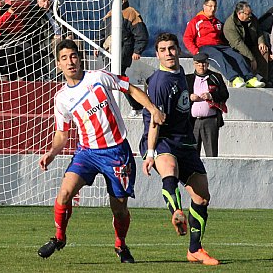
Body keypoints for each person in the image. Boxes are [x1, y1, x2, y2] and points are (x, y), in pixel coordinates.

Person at [37, 39, 165, 263]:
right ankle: (59, 237)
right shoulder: (61, 99)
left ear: (80, 58)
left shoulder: (98, 77)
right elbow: (62, 134)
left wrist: (152, 108)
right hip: (87, 152)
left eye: (73, 56)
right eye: (64, 59)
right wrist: (52, 152)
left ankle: (120, 245)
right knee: (64, 193)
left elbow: (131, 88)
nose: (70, 62)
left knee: (119, 209)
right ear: (58, 65)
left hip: (116, 151)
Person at [140, 33, 219, 266]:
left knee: (202, 196)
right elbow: (155, 120)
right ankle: (176, 212)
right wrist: (151, 153)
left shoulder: (183, 78)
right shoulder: (160, 82)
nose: (168, 53)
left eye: (172, 48)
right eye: (163, 50)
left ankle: (195, 249)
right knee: (170, 169)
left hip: (184, 140)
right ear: (157, 55)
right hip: (161, 138)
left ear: (179, 50)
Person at [183, 0, 264, 88]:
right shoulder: (196, 21)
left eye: (215, 7)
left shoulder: (217, 22)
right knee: (219, 56)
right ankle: (234, 79)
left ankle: (250, 79)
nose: (212, 9)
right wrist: (196, 52)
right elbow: (187, 38)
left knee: (236, 55)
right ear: (204, 6)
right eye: (210, 6)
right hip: (205, 47)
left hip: (219, 46)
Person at [100, 0, 149, 117]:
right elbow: (103, 33)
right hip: (109, 53)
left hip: (123, 52)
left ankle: (136, 105)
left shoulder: (131, 13)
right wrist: (98, 46)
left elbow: (141, 34)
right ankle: (113, 107)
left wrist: (137, 50)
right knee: (112, 79)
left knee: (117, 78)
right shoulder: (110, 14)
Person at [186, 52, 229, 157]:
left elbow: (225, 94)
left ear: (208, 64)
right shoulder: (188, 79)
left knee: (211, 152)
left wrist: (211, 95)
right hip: (193, 121)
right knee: (192, 153)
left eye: (204, 64)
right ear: (194, 64)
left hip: (210, 120)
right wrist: (189, 97)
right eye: (198, 64)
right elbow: (180, 96)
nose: (201, 66)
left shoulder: (215, 77)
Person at [223, 1, 269, 82]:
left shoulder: (251, 18)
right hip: (240, 49)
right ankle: (251, 79)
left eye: (251, 13)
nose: (250, 15)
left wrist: (261, 42)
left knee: (264, 51)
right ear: (240, 13)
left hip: (253, 45)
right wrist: (252, 58)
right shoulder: (230, 26)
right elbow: (238, 44)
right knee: (244, 58)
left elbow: (259, 30)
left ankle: (263, 78)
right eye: (248, 14)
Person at [20, 0, 62, 80]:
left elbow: (65, 26)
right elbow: (36, 33)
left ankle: (82, 74)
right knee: (57, 42)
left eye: (48, 1)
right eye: (43, 1)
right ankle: (60, 76)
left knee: (77, 43)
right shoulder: (35, 14)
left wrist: (70, 35)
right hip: (45, 42)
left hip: (62, 38)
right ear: (38, 1)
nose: (46, 4)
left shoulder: (55, 12)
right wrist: (53, 37)